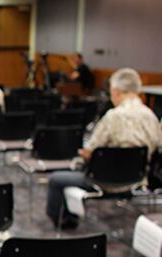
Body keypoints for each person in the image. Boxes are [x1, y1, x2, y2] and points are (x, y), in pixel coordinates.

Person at [46, 68, 162, 229]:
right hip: (137, 181)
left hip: (104, 182)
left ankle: (65, 222)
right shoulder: (152, 117)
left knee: (56, 179)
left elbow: (91, 151)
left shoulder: (113, 116)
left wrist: (83, 154)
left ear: (115, 91)